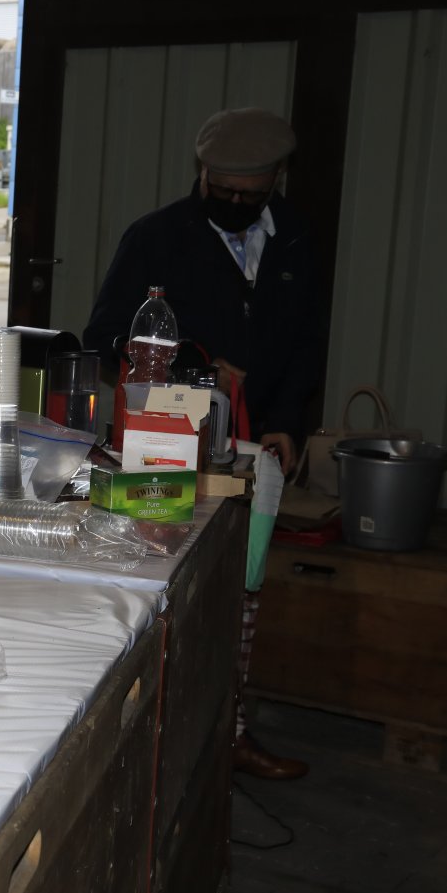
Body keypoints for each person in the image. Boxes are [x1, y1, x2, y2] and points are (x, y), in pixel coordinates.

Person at [83, 107, 325, 781]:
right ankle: (165, 731)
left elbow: (307, 341)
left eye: (252, 196)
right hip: (168, 441)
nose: (238, 205)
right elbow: (104, 335)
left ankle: (230, 730)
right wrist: (190, 364)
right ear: (203, 175)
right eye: (225, 193)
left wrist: (286, 421)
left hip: (257, 439)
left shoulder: (296, 238)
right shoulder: (156, 238)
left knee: (243, 587)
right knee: (169, 579)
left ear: (276, 181)